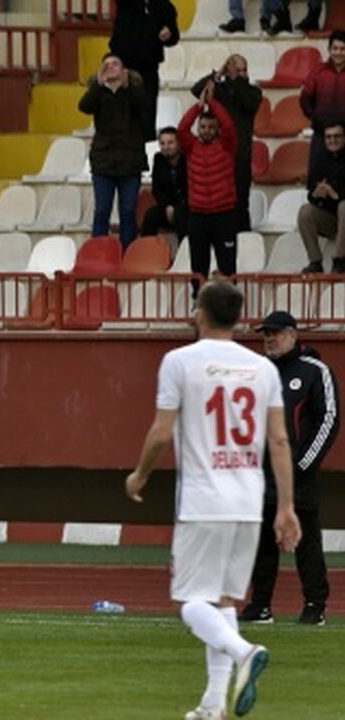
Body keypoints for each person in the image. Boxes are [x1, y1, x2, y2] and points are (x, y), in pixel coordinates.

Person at [125, 280, 301, 720]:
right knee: (222, 601)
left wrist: (140, 475)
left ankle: (244, 652)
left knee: (189, 602)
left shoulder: (180, 361)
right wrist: (286, 507)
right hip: (248, 501)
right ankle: (213, 704)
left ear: (200, 314)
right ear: (238, 318)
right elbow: (279, 440)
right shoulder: (262, 368)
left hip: (203, 500)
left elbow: (161, 432)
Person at [240, 311, 338, 627]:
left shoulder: (314, 371)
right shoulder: (258, 371)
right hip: (261, 473)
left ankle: (314, 604)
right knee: (262, 540)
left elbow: (328, 418)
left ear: (293, 335)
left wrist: (303, 464)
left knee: (305, 540)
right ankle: (260, 604)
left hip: (299, 474)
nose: (270, 339)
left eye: (276, 333)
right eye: (266, 334)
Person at [79, 53, 151, 249]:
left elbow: (145, 107)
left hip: (130, 160)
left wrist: (127, 86)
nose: (110, 67)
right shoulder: (98, 93)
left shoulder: (134, 91)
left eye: (115, 64)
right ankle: (98, 252)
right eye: (106, 65)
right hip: (103, 161)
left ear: (124, 69)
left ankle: (127, 251)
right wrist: (98, 84)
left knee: (127, 210)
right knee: (102, 210)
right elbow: (84, 107)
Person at [192, 54, 261, 230]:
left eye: (243, 70)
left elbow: (247, 102)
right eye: (237, 70)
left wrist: (235, 79)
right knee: (220, 205)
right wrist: (218, 73)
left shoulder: (253, 92)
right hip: (218, 156)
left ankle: (244, 241)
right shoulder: (220, 90)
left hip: (240, 156)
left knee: (240, 204)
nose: (241, 74)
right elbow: (197, 90)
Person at [177, 91, 240, 287]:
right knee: (198, 268)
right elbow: (182, 129)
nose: (206, 130)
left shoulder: (227, 146)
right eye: (203, 127)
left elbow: (229, 125)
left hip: (224, 215)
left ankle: (229, 300)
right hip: (198, 216)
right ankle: (198, 299)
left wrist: (212, 104)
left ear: (217, 129)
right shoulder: (191, 147)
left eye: (211, 127)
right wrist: (198, 107)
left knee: (227, 267)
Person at [108, 0, 178, 141]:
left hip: (149, 68)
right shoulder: (127, 4)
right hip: (125, 67)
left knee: (147, 113)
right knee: (122, 111)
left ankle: (147, 146)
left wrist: (169, 34)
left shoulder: (165, 6)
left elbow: (174, 36)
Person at [297, 121, 345, 273]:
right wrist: (317, 194)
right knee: (305, 212)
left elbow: (338, 198)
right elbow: (312, 194)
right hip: (331, 219)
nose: (332, 140)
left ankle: (340, 260)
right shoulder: (319, 160)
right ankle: (315, 261)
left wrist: (335, 194)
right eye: (328, 137)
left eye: (337, 136)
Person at [301, 32, 345, 189]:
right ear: (329, 50)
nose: (338, 52)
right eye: (335, 48)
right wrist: (316, 117)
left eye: (342, 49)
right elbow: (305, 98)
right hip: (321, 135)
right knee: (317, 179)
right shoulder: (318, 72)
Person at [140, 126, 189, 239]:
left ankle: (184, 249)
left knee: (182, 215)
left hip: (187, 207)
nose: (166, 147)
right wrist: (167, 206)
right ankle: (147, 247)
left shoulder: (188, 159)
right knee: (151, 215)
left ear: (179, 144)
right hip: (167, 206)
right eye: (162, 143)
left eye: (170, 143)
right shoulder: (159, 159)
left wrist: (180, 207)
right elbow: (157, 188)